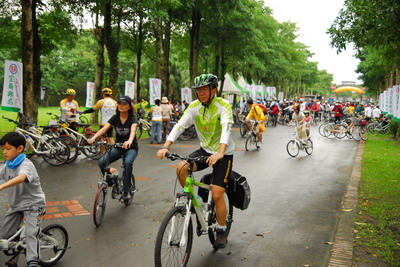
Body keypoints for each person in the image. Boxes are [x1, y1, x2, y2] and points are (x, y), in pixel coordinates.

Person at [156, 74, 234, 249]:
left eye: (205, 89)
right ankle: (196, 199)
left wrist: (221, 152)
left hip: (223, 153)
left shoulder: (223, 105)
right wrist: (166, 146)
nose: (202, 93)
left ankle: (221, 230)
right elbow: (180, 125)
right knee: (181, 167)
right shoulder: (194, 107)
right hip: (205, 151)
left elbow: (227, 127)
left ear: (213, 90)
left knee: (217, 193)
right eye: (199, 90)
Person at [0, 132, 46, 267]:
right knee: (5, 235)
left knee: (31, 233)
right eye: (3, 149)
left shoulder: (26, 165)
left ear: (19, 149)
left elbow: (21, 178)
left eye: (8, 149)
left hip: (34, 205)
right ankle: (16, 252)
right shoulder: (8, 165)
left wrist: (2, 186)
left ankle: (33, 261)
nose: (4, 152)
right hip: (16, 205)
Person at [87, 96, 138, 201]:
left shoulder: (132, 118)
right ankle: (111, 178)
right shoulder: (115, 117)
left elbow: (133, 131)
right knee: (102, 162)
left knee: (127, 163)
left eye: (124, 104)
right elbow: (105, 128)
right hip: (119, 147)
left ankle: (126, 191)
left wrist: (129, 141)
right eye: (119, 103)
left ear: (129, 107)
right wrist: (93, 137)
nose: (121, 106)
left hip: (131, 148)